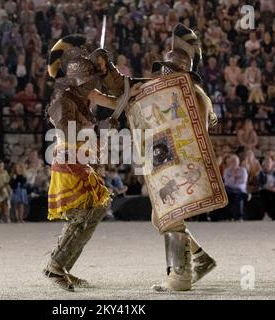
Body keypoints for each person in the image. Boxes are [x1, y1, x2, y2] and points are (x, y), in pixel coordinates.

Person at [91, 24, 221, 292]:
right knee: (159, 218)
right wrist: (107, 67)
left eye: (169, 70)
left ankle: (180, 276)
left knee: (170, 217)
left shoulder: (195, 96)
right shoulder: (163, 91)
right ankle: (201, 259)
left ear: (182, 73)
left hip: (183, 165)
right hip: (168, 163)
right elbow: (126, 87)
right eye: (164, 69)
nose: (164, 73)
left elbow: (193, 133)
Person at [43, 38, 139, 292]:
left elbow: (120, 100)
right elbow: (70, 134)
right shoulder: (61, 100)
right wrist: (103, 129)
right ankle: (56, 267)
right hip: (70, 163)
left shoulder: (88, 93)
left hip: (83, 161)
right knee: (83, 215)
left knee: (93, 211)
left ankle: (58, 266)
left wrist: (107, 69)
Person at [224, 154, 248, 221]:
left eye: (235, 161)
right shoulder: (227, 171)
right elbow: (227, 182)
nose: (234, 163)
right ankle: (228, 216)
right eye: (232, 161)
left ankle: (239, 216)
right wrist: (234, 177)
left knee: (237, 196)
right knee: (224, 196)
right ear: (230, 162)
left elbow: (243, 181)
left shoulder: (243, 170)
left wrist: (233, 181)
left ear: (238, 162)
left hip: (239, 189)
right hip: (229, 189)